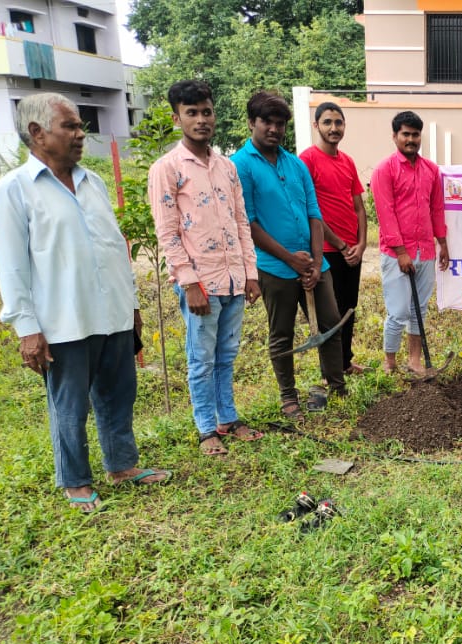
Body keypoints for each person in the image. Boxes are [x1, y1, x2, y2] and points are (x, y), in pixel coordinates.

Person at [0, 93, 171, 512]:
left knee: (119, 395)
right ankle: (75, 480)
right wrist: (26, 329)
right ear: (37, 133)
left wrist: (132, 306)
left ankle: (122, 465)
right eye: (69, 126)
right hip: (63, 320)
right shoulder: (14, 190)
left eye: (80, 126)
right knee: (69, 407)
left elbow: (114, 248)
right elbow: (12, 267)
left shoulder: (94, 183)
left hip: (112, 313)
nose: (79, 134)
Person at [148, 79, 262, 457]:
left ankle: (227, 418)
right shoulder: (167, 168)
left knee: (226, 356)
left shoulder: (227, 167)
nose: (201, 120)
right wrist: (188, 281)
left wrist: (250, 274)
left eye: (207, 112)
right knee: (201, 359)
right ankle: (205, 428)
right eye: (192, 113)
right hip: (200, 283)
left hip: (233, 280)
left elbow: (241, 222)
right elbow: (167, 232)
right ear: (176, 118)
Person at [232, 91, 346, 422]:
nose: (274, 129)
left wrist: (314, 262)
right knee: (281, 334)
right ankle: (288, 397)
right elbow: (249, 222)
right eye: (267, 122)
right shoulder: (240, 166)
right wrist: (291, 259)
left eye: (280, 123)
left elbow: (313, 213)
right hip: (274, 267)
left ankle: (336, 385)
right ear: (251, 122)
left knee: (330, 324)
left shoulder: (296, 164)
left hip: (314, 266)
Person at [370, 110, 449, 374]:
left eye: (415, 135)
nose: (411, 139)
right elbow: (386, 213)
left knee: (419, 309)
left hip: (425, 249)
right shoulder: (384, 170)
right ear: (395, 136)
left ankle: (414, 362)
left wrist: (442, 244)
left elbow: (436, 209)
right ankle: (390, 362)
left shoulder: (431, 170)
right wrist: (401, 252)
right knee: (398, 311)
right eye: (406, 134)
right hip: (396, 254)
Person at [299, 101, 368, 376]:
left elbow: (359, 207)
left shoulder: (347, 161)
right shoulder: (307, 160)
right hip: (327, 250)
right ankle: (332, 371)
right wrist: (340, 245)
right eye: (327, 122)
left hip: (353, 250)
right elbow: (310, 211)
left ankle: (345, 363)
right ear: (316, 125)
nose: (333, 128)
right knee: (332, 312)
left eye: (338, 122)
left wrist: (361, 244)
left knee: (349, 307)